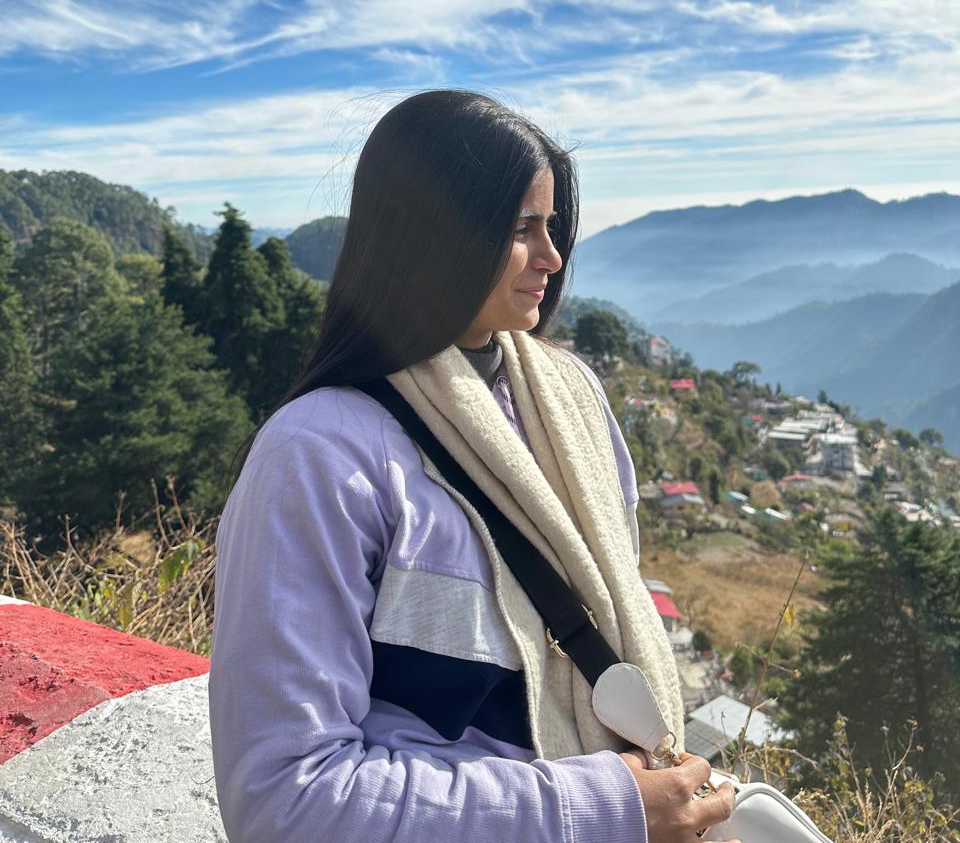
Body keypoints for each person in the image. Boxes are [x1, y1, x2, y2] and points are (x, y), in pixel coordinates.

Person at [208, 89, 738, 843]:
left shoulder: (574, 401)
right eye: (521, 228)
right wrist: (606, 809)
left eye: (551, 226)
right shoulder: (321, 454)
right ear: (433, 232)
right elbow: (285, 800)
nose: (552, 257)